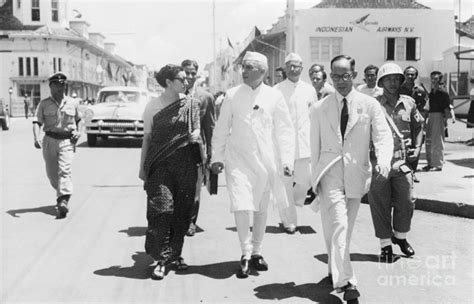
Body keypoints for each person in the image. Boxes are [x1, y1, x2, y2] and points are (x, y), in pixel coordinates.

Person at [309, 55, 393, 303]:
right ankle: (348, 283)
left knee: (340, 229)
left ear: (353, 76)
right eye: (335, 76)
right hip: (329, 173)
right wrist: (313, 180)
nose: (341, 80)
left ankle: (333, 269)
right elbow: (314, 146)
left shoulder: (369, 105)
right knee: (339, 225)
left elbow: (383, 136)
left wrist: (384, 161)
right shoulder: (320, 108)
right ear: (330, 77)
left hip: (357, 174)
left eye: (346, 75)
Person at [211, 51, 295, 278]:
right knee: (241, 204)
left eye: (248, 67)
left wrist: (287, 160)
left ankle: (257, 251)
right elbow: (220, 129)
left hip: (265, 161)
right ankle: (245, 252)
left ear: (262, 71)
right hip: (237, 159)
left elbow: (285, 130)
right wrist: (216, 158)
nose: (244, 71)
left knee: (260, 208)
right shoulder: (231, 95)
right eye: (243, 67)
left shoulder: (274, 96)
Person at [139, 64, 203, 280]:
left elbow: (197, 132)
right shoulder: (153, 107)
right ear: (168, 82)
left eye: (187, 79)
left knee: (181, 214)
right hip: (160, 167)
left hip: (186, 164)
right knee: (162, 210)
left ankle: (173, 255)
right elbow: (147, 139)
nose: (187, 82)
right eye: (181, 78)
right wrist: (142, 168)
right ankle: (160, 258)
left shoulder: (192, 104)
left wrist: (196, 137)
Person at [368, 63, 423, 263]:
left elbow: (419, 128)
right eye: (388, 79)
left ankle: (400, 237)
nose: (393, 83)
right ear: (381, 82)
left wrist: (417, 149)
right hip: (379, 162)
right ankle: (385, 244)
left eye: (397, 79)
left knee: (407, 200)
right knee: (380, 204)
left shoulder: (409, 103)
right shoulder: (372, 104)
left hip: (401, 162)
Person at [274, 52, 317, 234]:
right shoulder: (276, 90)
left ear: (301, 68)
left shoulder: (310, 90)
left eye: (296, 66)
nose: (293, 69)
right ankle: (289, 221)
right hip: (283, 146)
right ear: (285, 68)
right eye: (290, 65)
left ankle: (297, 201)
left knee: (306, 180)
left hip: (305, 144)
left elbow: (314, 116)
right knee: (285, 183)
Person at [32, 72, 83, 219]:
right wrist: (36, 137)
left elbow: (80, 120)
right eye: (57, 85)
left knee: (64, 171)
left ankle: (63, 201)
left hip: (67, 141)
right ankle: (62, 192)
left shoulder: (73, 103)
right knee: (52, 174)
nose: (61, 88)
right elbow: (37, 122)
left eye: (63, 85)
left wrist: (78, 132)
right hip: (49, 140)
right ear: (51, 87)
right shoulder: (44, 104)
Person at [180, 59, 216, 237]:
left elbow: (210, 128)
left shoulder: (206, 97)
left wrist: (211, 153)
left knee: (195, 190)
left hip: (196, 150)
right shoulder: (173, 95)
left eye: (193, 73)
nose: (190, 76)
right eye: (187, 72)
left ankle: (191, 222)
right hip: (176, 151)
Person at [399, 66, 429, 181]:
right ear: (404, 75)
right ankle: (403, 171)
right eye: (408, 74)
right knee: (403, 146)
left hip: (415, 122)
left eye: (412, 74)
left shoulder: (420, 90)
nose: (410, 76)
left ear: (416, 76)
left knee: (416, 146)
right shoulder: (399, 89)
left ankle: (413, 171)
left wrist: (422, 123)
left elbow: (425, 107)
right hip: (402, 121)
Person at [423, 71, 452, 171]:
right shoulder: (432, 92)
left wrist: (445, 121)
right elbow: (428, 107)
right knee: (429, 141)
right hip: (431, 116)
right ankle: (430, 163)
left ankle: (438, 164)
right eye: (432, 78)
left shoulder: (443, 92)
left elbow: (447, 109)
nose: (434, 81)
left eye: (436, 79)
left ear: (440, 80)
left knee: (437, 141)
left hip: (439, 116)